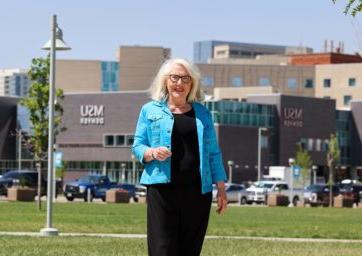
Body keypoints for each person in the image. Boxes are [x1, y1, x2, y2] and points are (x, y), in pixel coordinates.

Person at [132, 58, 227, 256]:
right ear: (165, 81)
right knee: (162, 248)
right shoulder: (149, 110)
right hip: (162, 189)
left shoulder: (202, 113)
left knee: (189, 249)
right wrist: (152, 152)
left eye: (185, 78)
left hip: (197, 192)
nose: (180, 83)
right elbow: (138, 146)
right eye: (174, 77)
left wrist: (221, 187)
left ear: (192, 83)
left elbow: (213, 152)